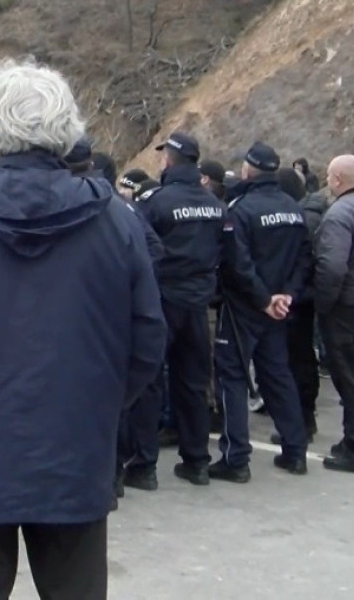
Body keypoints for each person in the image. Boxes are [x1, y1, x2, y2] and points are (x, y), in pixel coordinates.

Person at [0, 58, 165, 600]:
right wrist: (102, 405)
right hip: (76, 449)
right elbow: (146, 339)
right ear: (67, 130)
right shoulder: (117, 220)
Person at [132, 132, 227, 488]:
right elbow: (226, 253)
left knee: (150, 382)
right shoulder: (215, 205)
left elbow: (143, 249)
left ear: (169, 160)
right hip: (199, 304)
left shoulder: (155, 201)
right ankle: (197, 460)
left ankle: (144, 467)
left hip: (163, 301)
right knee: (193, 383)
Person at [213, 141, 311, 483]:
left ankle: (235, 458)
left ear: (248, 169)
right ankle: (295, 451)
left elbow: (237, 264)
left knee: (232, 377)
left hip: (245, 308)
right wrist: (287, 296)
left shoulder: (241, 208)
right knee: (278, 375)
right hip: (278, 308)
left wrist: (263, 299)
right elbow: (304, 259)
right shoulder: (292, 207)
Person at [314, 154, 354, 473]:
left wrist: (323, 304)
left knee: (350, 378)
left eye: (329, 177)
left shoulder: (340, 214)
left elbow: (331, 266)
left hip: (347, 308)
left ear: (338, 179)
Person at [275, 167, 321, 442]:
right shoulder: (314, 213)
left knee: (296, 362)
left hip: (296, 298)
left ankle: (300, 423)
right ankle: (306, 419)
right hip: (306, 297)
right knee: (304, 360)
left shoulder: (299, 219)